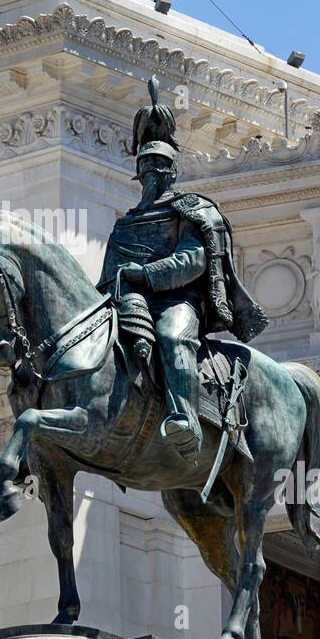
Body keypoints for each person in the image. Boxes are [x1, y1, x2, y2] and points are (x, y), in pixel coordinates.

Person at [98, 77, 267, 457]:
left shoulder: (189, 209)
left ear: (172, 172)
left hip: (178, 301)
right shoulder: (123, 223)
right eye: (147, 166)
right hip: (129, 301)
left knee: (173, 338)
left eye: (160, 166)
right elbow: (108, 274)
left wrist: (146, 274)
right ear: (138, 172)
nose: (152, 173)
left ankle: (183, 416)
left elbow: (192, 261)